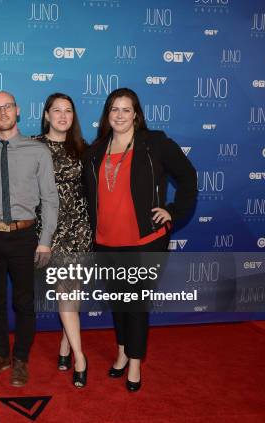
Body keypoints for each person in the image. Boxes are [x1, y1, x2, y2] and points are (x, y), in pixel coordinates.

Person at [83, 87, 197, 392]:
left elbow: (188, 177)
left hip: (145, 241)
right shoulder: (95, 151)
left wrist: (172, 211)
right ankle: (122, 351)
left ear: (136, 114)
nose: (119, 115)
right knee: (119, 301)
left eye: (126, 109)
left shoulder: (154, 144)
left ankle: (135, 362)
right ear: (107, 115)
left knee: (135, 302)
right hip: (106, 241)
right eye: (114, 110)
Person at [0, 91, 59, 387]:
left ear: (17, 110)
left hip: (25, 237)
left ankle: (20, 359)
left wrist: (45, 239)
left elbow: (50, 198)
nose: (2, 112)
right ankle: (0, 355)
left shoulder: (38, 151)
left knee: (24, 303)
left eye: (7, 106)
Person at [35, 93, 93, 388]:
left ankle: (65, 345)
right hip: (50, 230)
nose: (62, 115)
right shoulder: (32, 146)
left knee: (74, 293)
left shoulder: (85, 149)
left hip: (81, 228)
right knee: (66, 291)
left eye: (68, 111)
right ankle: (80, 358)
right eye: (56, 110)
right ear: (46, 115)